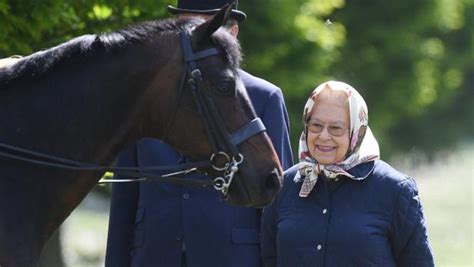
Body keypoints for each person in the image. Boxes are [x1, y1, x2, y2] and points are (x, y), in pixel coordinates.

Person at [105, 1, 294, 267]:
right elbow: (124, 200)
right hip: (152, 257)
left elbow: (277, 202)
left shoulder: (265, 98)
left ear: (233, 33)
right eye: (185, 30)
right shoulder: (141, 98)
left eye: (205, 29)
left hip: (233, 259)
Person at [261, 81, 434, 266]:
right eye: (316, 125)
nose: (324, 136)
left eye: (336, 128)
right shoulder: (284, 186)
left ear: (356, 132)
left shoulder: (396, 190)